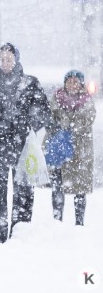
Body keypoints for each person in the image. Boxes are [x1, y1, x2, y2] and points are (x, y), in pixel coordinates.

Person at [0, 43, 50, 243]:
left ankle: (20, 234)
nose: (5, 62)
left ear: (16, 60)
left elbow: (43, 112)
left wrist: (25, 122)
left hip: (23, 146)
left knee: (24, 191)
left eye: (9, 59)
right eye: (2, 59)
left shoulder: (30, 83)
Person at [47, 70, 96, 225]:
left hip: (80, 152)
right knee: (57, 186)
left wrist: (68, 126)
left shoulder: (87, 101)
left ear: (81, 84)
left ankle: (79, 223)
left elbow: (87, 121)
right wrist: (58, 130)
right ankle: (57, 221)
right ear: (65, 83)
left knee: (79, 188)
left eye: (76, 82)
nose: (72, 84)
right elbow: (49, 120)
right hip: (60, 151)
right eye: (69, 81)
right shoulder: (55, 99)